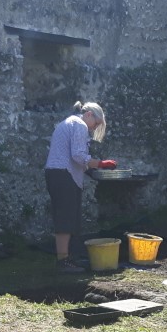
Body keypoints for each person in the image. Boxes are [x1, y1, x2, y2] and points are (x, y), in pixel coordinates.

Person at [44, 101, 113, 273]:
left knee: (68, 216)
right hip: (63, 174)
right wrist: (100, 163)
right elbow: (77, 155)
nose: (93, 128)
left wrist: (89, 168)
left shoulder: (69, 123)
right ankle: (63, 261)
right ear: (89, 114)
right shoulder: (80, 124)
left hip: (58, 173)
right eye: (96, 123)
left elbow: (73, 155)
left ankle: (68, 258)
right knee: (65, 218)